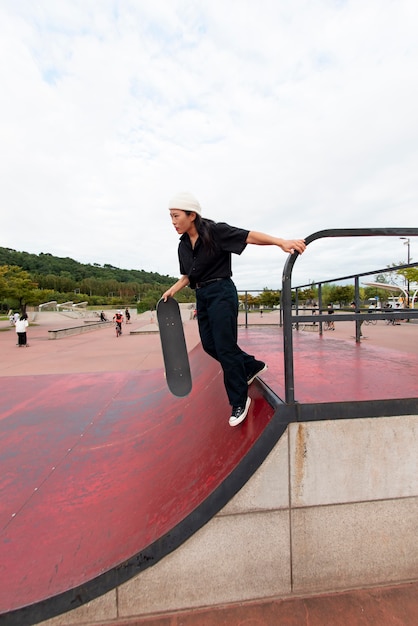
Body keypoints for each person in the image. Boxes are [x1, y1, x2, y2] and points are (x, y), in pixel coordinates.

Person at [162, 191, 306, 427]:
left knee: (226, 348)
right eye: (171, 217)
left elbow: (249, 236)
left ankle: (239, 400)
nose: (173, 222)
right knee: (210, 345)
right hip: (202, 296)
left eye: (176, 216)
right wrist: (173, 289)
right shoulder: (183, 246)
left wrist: (281, 242)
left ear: (191, 214)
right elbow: (188, 275)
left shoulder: (216, 231)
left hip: (221, 292)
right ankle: (251, 365)